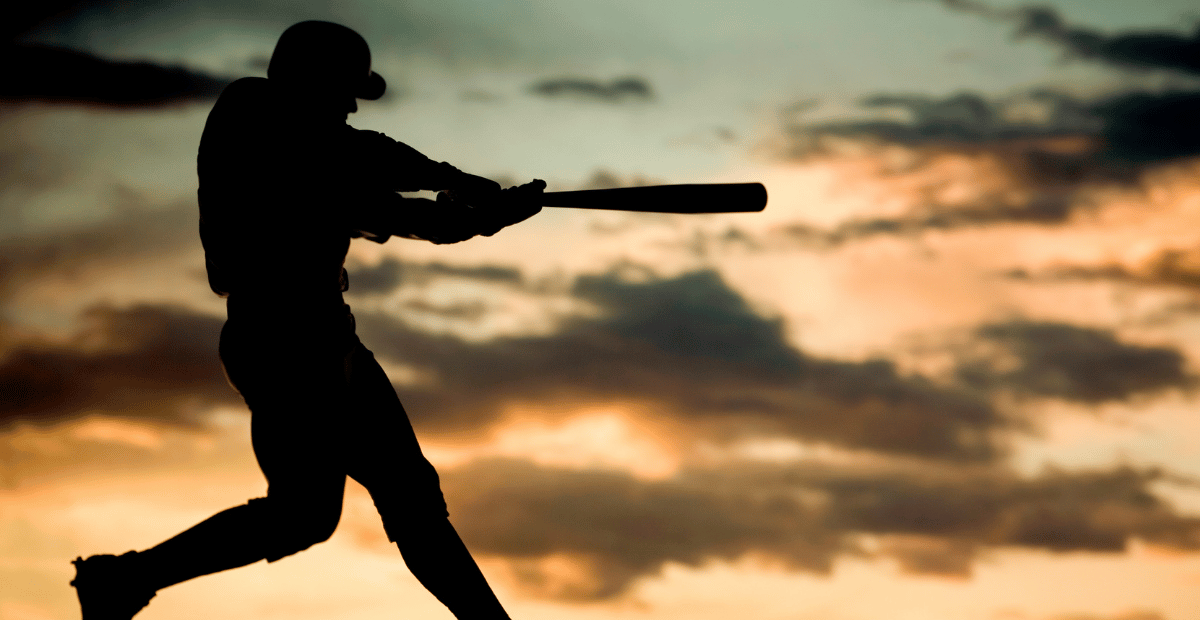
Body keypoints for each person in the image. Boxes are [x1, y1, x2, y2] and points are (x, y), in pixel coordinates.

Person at [70, 20, 543, 620]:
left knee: (413, 502)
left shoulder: (318, 153)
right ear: (308, 79)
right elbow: (369, 179)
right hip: (279, 341)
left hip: (330, 336)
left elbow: (379, 182)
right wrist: (469, 201)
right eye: (344, 89)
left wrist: (470, 202)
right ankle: (126, 577)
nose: (349, 105)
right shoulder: (251, 116)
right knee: (303, 518)